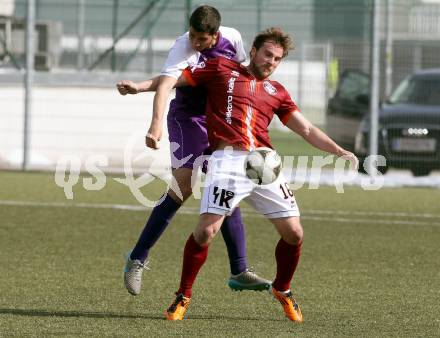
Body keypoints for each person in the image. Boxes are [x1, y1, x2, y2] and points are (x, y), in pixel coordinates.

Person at [163, 27, 359, 322]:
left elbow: (306, 129)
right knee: (206, 232)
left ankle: (283, 289)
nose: (271, 61)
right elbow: (174, 79)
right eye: (267, 54)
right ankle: (183, 296)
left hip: (264, 164)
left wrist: (338, 151)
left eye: (277, 58)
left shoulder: (277, 91)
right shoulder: (222, 71)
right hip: (227, 161)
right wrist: (142, 87)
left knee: (294, 233)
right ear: (253, 51)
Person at [116, 5, 270, 296]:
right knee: (182, 188)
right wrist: (155, 126)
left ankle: (239, 270)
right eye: (193, 35)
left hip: (216, 120)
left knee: (224, 186)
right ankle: (137, 257)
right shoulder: (181, 46)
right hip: (186, 119)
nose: (195, 42)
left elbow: (237, 78)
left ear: (216, 35)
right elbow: (166, 86)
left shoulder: (232, 39)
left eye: (201, 38)